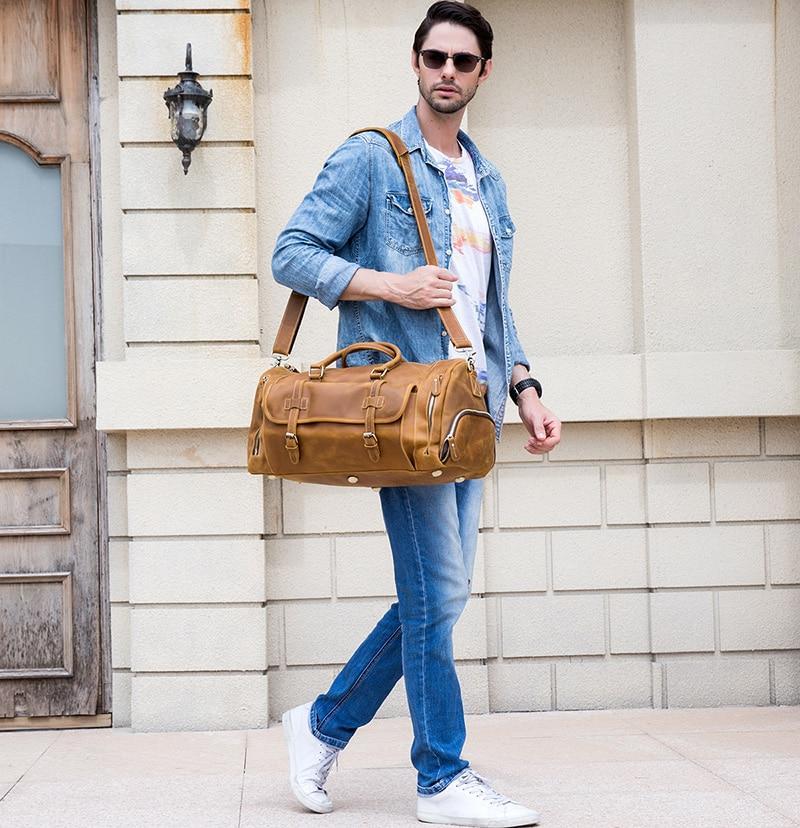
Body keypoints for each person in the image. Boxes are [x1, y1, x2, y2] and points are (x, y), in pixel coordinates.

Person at [272, 3, 561, 825]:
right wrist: (391, 284)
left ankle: (323, 724)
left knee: (442, 594)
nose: (446, 71)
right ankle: (440, 776)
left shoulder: (487, 177)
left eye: (462, 61)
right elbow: (293, 250)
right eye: (434, 56)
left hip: (472, 413)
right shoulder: (373, 157)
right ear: (415, 62)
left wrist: (527, 389)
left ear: (482, 74)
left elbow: (493, 307)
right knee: (438, 592)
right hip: (405, 414)